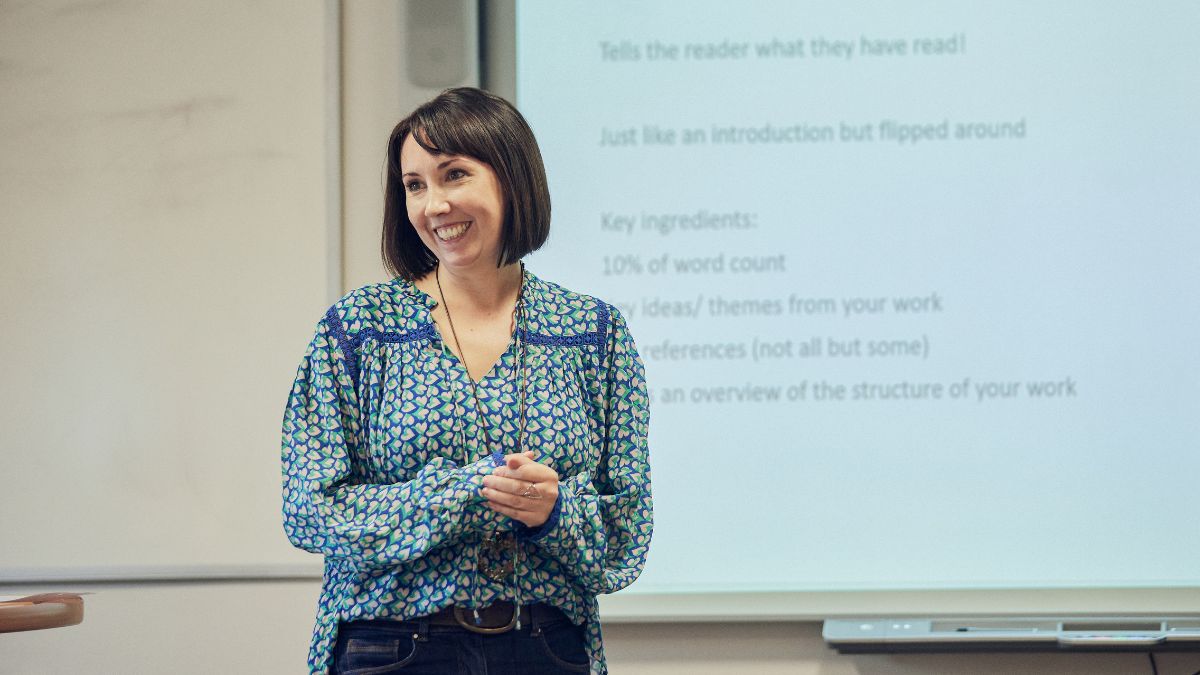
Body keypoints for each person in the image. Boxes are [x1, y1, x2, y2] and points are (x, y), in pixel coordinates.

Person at [281, 87, 652, 675]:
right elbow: (311, 511)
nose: (433, 205)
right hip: (391, 648)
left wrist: (553, 511)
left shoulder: (595, 332)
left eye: (454, 175)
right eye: (414, 185)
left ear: (513, 178)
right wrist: (470, 492)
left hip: (546, 648)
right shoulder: (357, 328)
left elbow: (623, 539)